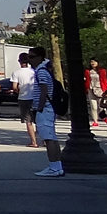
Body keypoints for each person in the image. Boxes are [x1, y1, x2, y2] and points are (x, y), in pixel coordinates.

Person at [29, 47, 65, 177]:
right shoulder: (45, 70)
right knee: (51, 138)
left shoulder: (41, 72)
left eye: (32, 57)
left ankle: (54, 167)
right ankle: (57, 166)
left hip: (45, 109)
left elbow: (44, 91)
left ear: (39, 57)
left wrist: (39, 107)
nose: (29, 60)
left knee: (48, 139)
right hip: (48, 108)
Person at [86, 59, 107, 124]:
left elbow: (104, 80)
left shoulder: (102, 71)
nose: (93, 63)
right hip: (91, 89)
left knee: (101, 105)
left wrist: (106, 91)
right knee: (93, 106)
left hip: (100, 89)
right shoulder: (88, 71)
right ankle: (95, 121)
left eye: (94, 61)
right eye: (91, 62)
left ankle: (104, 117)